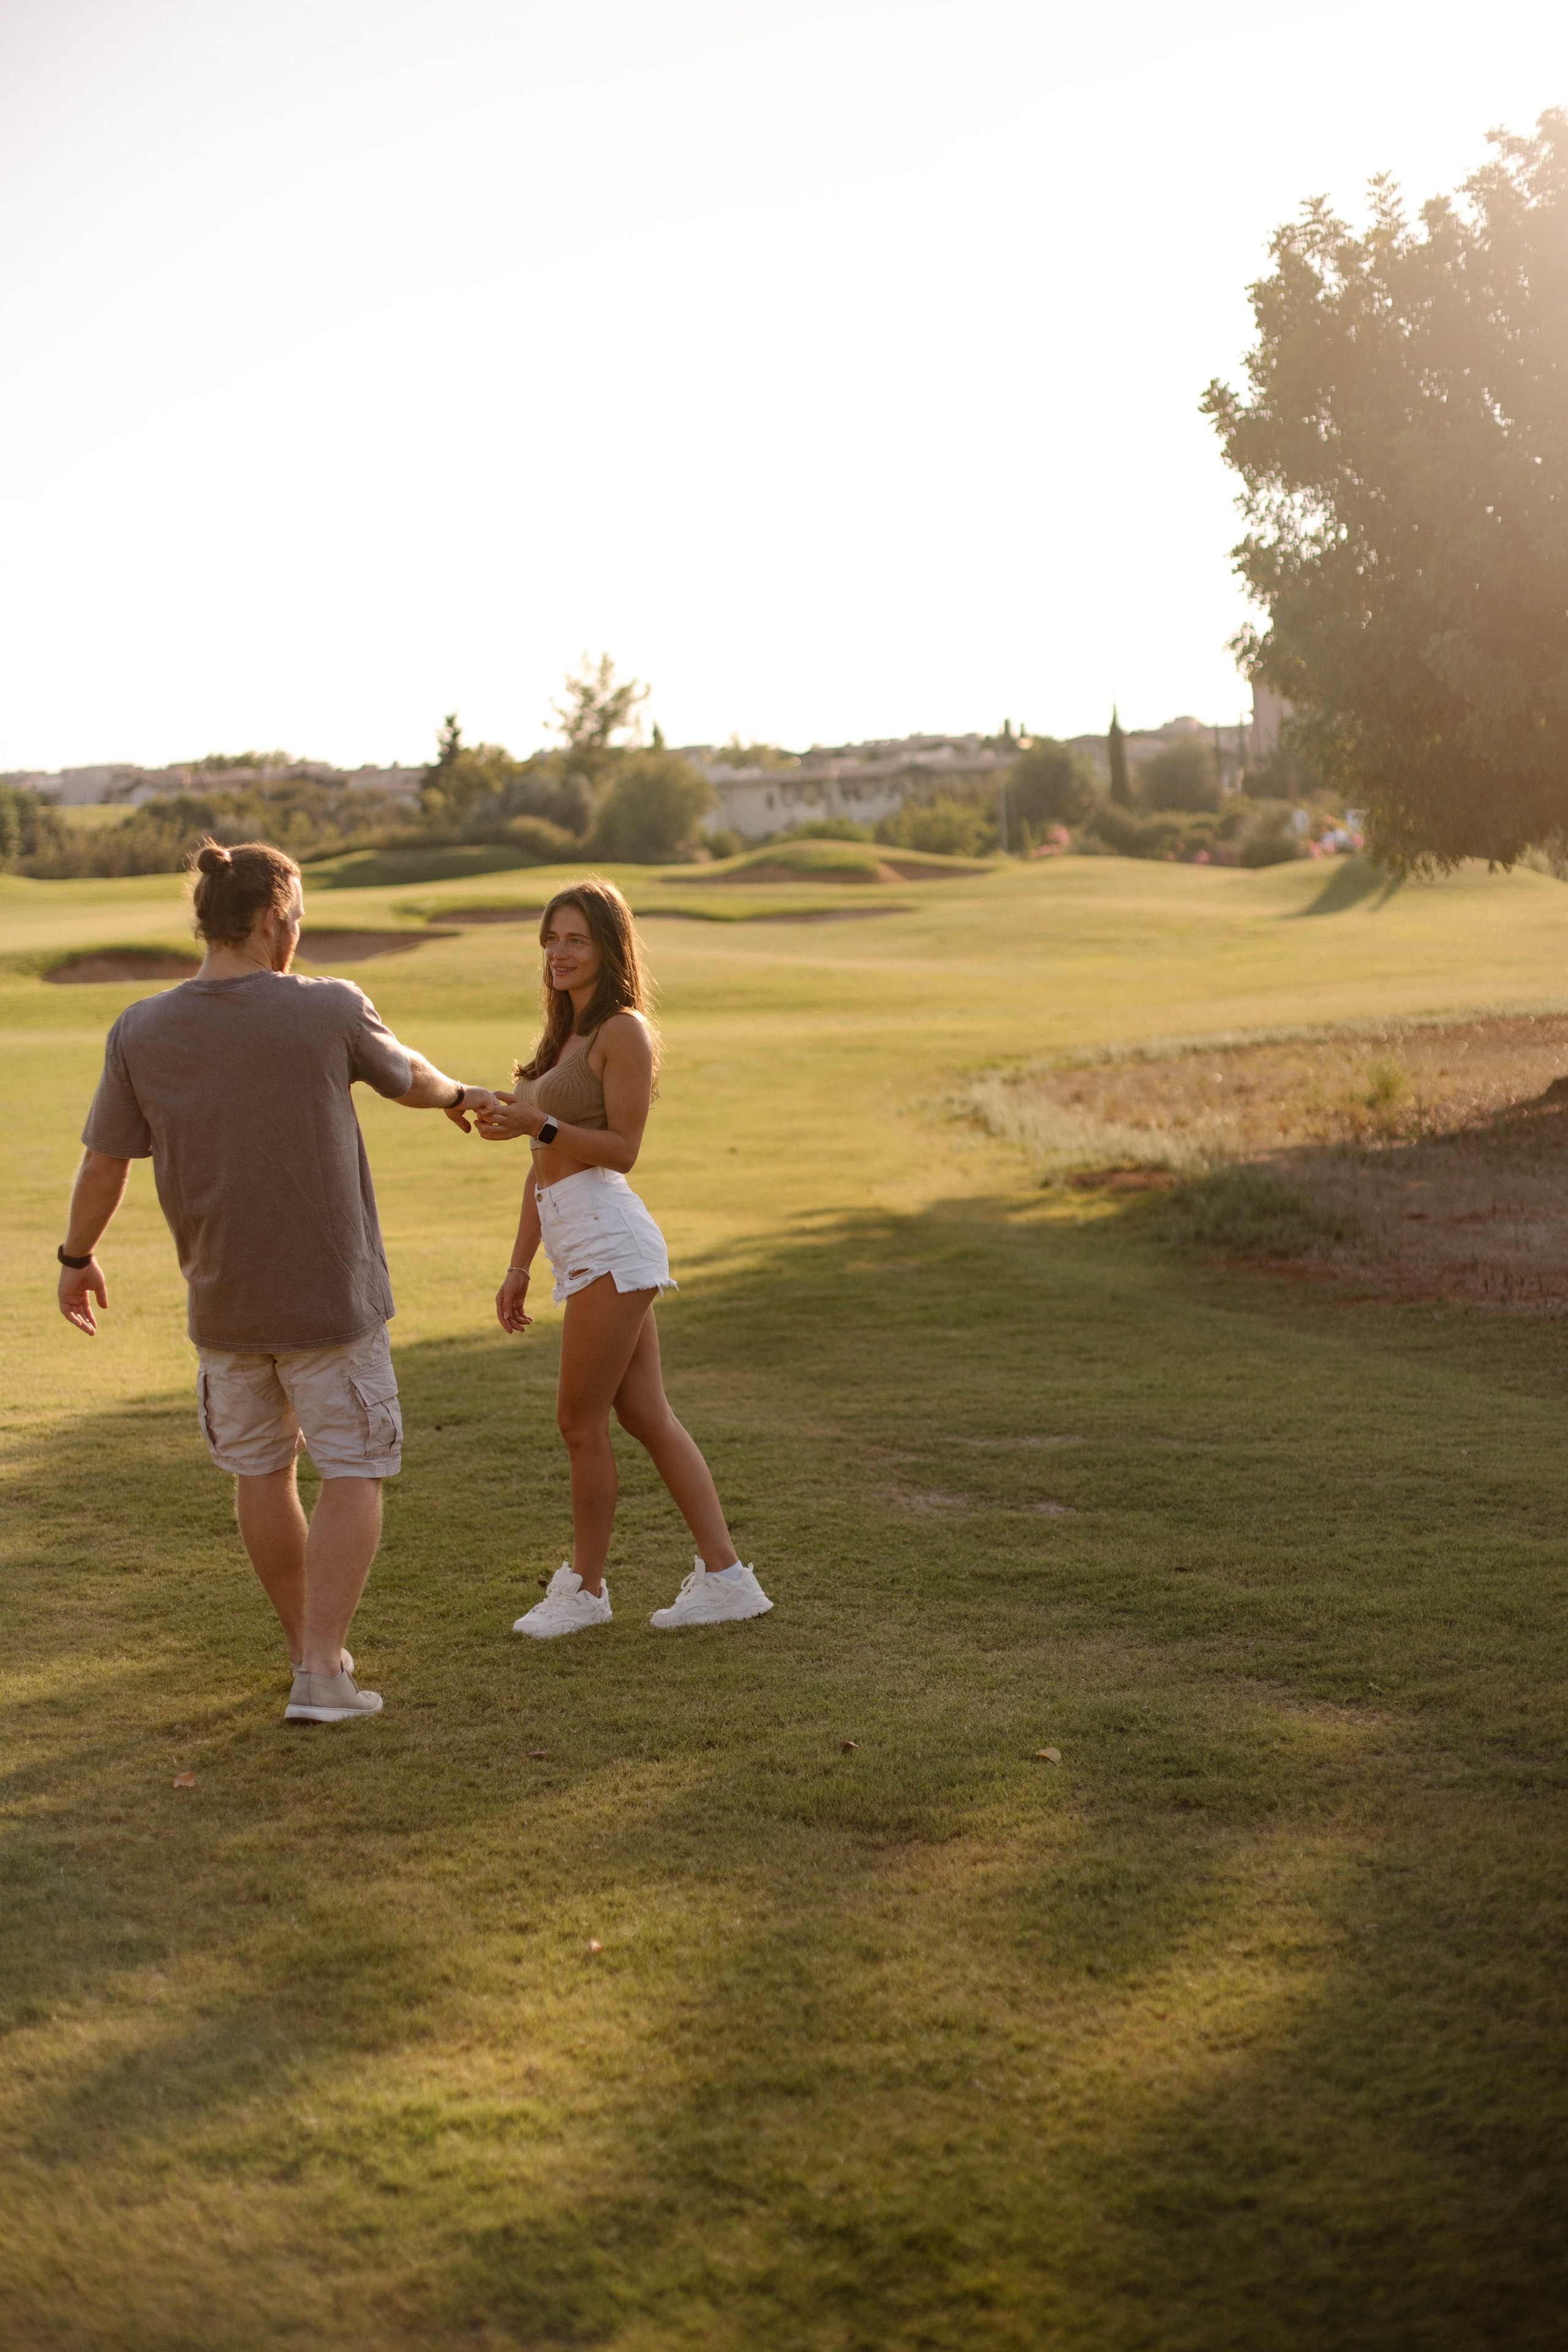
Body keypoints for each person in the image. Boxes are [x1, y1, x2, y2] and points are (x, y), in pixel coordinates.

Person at [56, 839, 496, 1726]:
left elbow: (106, 1164)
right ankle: (323, 1672)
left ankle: (309, 1656)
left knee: (262, 1472)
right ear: (271, 921)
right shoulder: (328, 1008)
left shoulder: (139, 1028)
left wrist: (74, 1259)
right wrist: (461, 1098)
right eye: (294, 921)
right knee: (355, 1468)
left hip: (222, 1303)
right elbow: (410, 1077)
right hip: (328, 1300)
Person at [475, 878, 772, 1637]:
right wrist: (517, 1266)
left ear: (610, 947)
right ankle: (727, 1577)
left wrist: (537, 1123)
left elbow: (623, 1151)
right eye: (550, 938)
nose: (558, 952)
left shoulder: (623, 1032)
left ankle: (585, 1588)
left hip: (611, 1237)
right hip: (576, 1242)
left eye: (575, 938)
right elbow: (536, 1162)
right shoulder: (559, 1040)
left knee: (579, 1421)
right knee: (644, 1415)